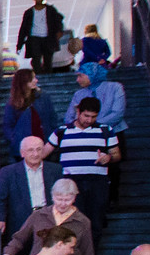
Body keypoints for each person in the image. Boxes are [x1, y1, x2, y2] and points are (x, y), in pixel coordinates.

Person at [48, 96, 118, 235]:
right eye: (86, 115)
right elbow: (44, 151)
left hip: (97, 182)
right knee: (73, 222)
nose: (89, 120)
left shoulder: (105, 130)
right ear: (78, 111)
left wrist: (108, 157)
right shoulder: (62, 131)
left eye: (93, 117)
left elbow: (117, 154)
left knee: (96, 222)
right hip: (71, 182)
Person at [65, 61, 128, 209]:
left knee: (113, 167)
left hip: (112, 133)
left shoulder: (115, 88)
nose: (77, 80)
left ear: (91, 75)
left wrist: (94, 125)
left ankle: (112, 199)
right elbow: (69, 118)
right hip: (85, 138)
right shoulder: (79, 94)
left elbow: (118, 112)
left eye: (81, 75)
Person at [0, 134, 55, 244]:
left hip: (49, 221)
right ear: (22, 153)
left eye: (39, 149)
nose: (35, 154)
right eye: (31, 150)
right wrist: (0, 219)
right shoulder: (8, 172)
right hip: (21, 222)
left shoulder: (56, 170)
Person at [0, 70, 58, 152]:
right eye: (32, 78)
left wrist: (51, 140)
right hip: (24, 148)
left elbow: (53, 118)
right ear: (24, 82)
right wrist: (15, 140)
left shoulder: (43, 97)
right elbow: (8, 125)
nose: (36, 80)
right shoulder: (13, 103)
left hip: (44, 144)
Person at [16, 0, 66, 73]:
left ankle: (48, 77)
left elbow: (58, 20)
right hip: (34, 38)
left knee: (48, 59)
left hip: (48, 38)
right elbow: (23, 28)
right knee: (36, 58)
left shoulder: (50, 10)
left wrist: (59, 31)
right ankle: (39, 76)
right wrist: (19, 44)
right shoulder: (29, 12)